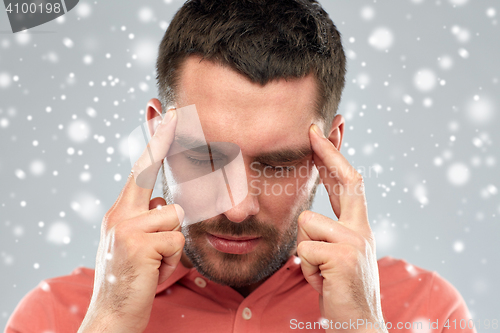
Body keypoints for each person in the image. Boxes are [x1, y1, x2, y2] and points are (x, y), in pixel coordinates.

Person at [5, 0, 475, 332]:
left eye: (277, 165)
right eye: (207, 158)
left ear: (330, 151)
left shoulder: (426, 309)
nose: (236, 209)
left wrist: (361, 325)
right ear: (157, 137)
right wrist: (107, 322)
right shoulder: (54, 317)